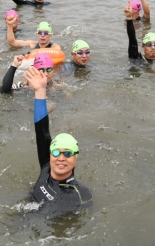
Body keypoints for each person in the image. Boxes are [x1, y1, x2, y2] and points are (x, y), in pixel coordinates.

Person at [23, 65, 92, 213]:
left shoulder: (80, 194)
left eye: (67, 153)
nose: (61, 158)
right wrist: (40, 91)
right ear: (50, 155)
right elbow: (41, 130)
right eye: (56, 152)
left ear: (75, 158)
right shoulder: (47, 167)